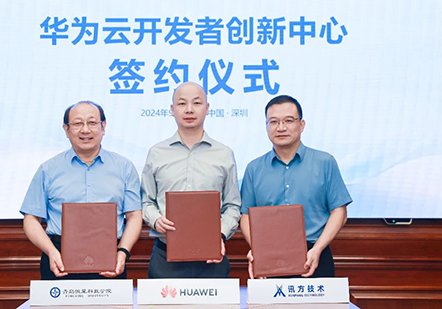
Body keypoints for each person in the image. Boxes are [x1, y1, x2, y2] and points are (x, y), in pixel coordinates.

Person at [20, 100, 142, 280]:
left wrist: (123, 252)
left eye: (92, 123)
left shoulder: (124, 167)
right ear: (66, 129)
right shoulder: (48, 169)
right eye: (77, 123)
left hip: (111, 258)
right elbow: (31, 219)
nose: (85, 130)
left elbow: (134, 216)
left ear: (103, 127)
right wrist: (51, 251)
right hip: (59, 259)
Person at [240, 95, 352, 278]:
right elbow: (246, 215)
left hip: (315, 253)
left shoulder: (325, 162)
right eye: (273, 122)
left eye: (288, 121)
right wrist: (258, 249)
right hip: (270, 256)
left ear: (301, 124)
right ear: (266, 126)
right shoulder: (254, 168)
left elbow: (339, 211)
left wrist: (318, 249)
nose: (281, 128)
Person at [141, 82, 241, 278]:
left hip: (213, 256)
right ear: (172, 109)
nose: (189, 109)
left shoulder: (224, 154)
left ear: (207, 108)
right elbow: (146, 202)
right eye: (181, 103)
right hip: (165, 256)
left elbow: (232, 205)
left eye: (196, 103)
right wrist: (156, 220)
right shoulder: (156, 153)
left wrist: (219, 234)